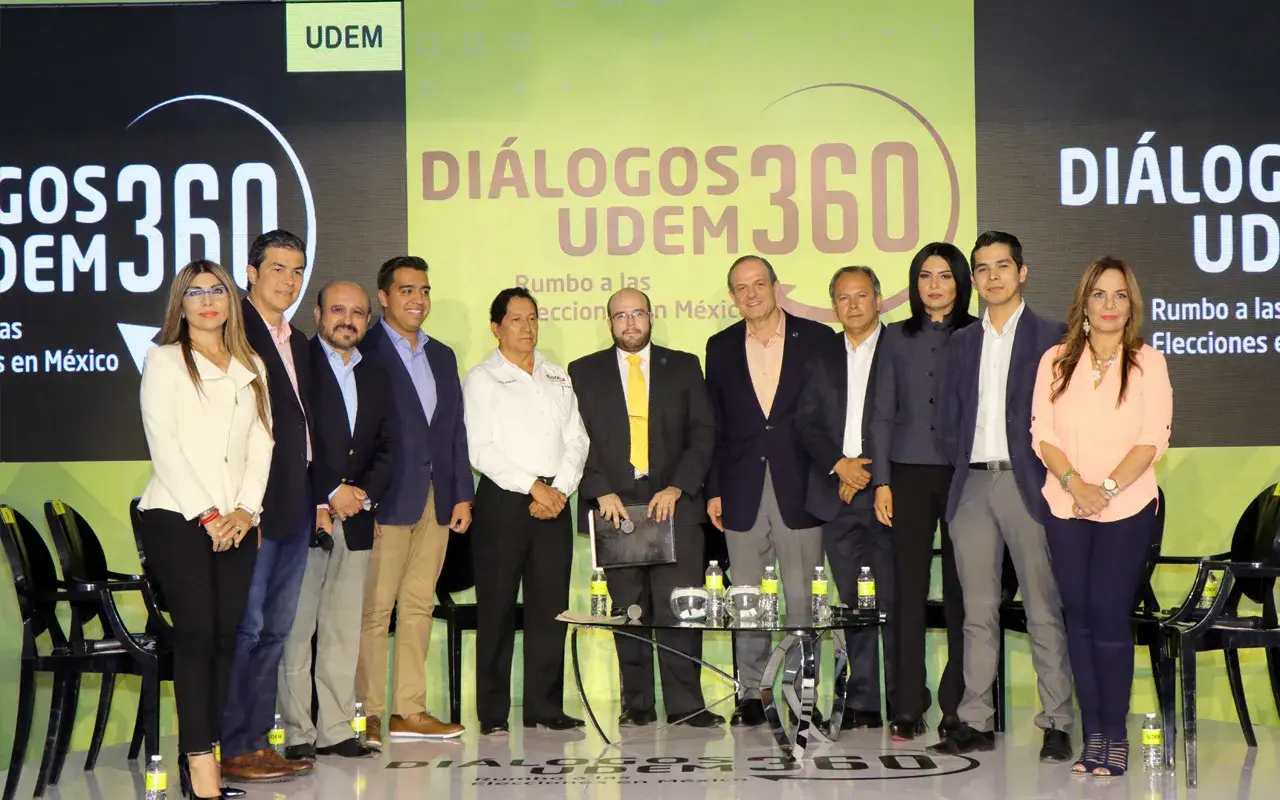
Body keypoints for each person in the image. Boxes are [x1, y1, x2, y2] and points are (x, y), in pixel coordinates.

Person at [928, 231, 1074, 762]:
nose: (992, 277)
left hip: (1027, 484)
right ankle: (975, 721)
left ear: (1022, 272)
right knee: (977, 611)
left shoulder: (1053, 337)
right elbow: (948, 419)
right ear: (974, 278)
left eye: (1002, 266)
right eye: (983, 268)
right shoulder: (962, 342)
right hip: (970, 485)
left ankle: (1057, 722)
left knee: (1042, 608)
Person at [137, 260, 273, 800]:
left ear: (230, 300)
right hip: (177, 516)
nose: (208, 300)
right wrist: (209, 515)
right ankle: (200, 769)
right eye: (195, 292)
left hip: (237, 523)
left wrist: (245, 511)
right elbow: (164, 446)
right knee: (196, 636)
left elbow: (262, 443)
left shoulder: (251, 363)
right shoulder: (164, 359)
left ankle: (204, 751)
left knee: (224, 639)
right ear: (181, 303)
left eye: (217, 290)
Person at [1031, 258, 1171, 777]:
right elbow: (1042, 434)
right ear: (1084, 303)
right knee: (1079, 620)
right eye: (1099, 294)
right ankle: (1092, 737)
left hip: (1127, 507)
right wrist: (1077, 486)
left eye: (1119, 295)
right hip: (1065, 505)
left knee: (1110, 619)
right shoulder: (1055, 360)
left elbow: (1153, 438)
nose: (1109, 305)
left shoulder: (1147, 362)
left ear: (1131, 306)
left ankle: (1115, 735)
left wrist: (1105, 489)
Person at [568, 288, 722, 728]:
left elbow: (703, 433)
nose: (630, 322)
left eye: (637, 313)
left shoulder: (684, 365)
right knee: (628, 612)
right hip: (615, 508)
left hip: (674, 505)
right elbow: (574, 439)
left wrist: (678, 486)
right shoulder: (583, 371)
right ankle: (636, 705)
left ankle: (686, 705)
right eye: (621, 316)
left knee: (680, 608)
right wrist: (598, 490)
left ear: (651, 317)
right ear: (609, 323)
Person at [704, 255, 831, 727]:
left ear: (776, 287)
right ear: (732, 296)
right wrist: (714, 488)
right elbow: (714, 425)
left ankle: (803, 694)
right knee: (746, 600)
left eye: (759, 284)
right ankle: (751, 695)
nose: (751, 294)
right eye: (741, 288)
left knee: (802, 600)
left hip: (801, 487)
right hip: (741, 490)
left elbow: (829, 416)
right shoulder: (719, 346)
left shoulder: (816, 338)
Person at [352, 257, 473, 743]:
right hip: (385, 502)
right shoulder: (363, 350)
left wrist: (461, 494)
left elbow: (454, 430)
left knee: (419, 606)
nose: (417, 299)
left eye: (423, 290)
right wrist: (365, 499)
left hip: (437, 500)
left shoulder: (441, 355)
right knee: (376, 611)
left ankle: (409, 711)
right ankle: (366, 713)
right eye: (406, 290)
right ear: (383, 297)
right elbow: (357, 433)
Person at [464, 287, 590, 735]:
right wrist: (534, 487)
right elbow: (480, 448)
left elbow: (578, 439)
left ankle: (544, 706)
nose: (527, 327)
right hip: (505, 501)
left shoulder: (557, 375)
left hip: (555, 501)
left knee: (550, 608)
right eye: (516, 319)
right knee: (496, 607)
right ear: (496, 328)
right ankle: (493, 713)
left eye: (533, 318)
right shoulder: (482, 378)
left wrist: (559, 490)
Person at [278, 282, 396, 761]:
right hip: (307, 515)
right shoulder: (297, 365)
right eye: (338, 310)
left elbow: (389, 446)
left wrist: (361, 495)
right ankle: (297, 733)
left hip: (357, 518)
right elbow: (292, 439)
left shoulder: (377, 374)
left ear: (368, 320)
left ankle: (335, 730)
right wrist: (330, 491)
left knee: (343, 629)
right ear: (318, 313)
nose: (348, 320)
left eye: (358, 313)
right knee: (297, 630)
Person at [870, 242, 976, 741]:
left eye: (945, 276)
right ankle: (908, 705)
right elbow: (881, 413)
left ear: (961, 282)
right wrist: (882, 480)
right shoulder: (895, 336)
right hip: (907, 476)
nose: (934, 285)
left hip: (963, 475)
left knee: (961, 593)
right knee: (907, 592)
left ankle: (957, 705)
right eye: (925, 276)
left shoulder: (978, 333)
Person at [221, 230, 315, 783]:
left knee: (276, 630)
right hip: (251, 507)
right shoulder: (232, 331)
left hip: (296, 503)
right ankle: (231, 745)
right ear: (251, 273)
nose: (289, 280)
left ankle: (256, 743)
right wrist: (242, 506)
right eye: (278, 268)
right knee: (247, 628)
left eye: (297, 270)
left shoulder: (296, 339)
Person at [797, 266, 892, 730]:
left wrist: (866, 471)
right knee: (854, 604)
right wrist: (840, 465)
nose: (852, 305)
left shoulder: (900, 348)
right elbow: (806, 423)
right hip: (836, 496)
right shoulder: (821, 354)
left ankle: (906, 701)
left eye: (861, 295)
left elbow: (907, 419)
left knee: (893, 601)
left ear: (878, 299)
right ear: (834, 304)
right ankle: (864, 702)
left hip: (889, 494)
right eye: (842, 297)